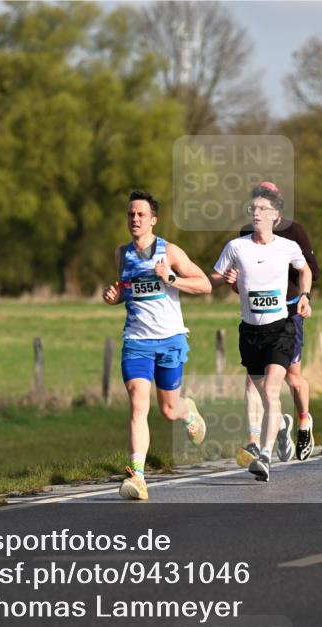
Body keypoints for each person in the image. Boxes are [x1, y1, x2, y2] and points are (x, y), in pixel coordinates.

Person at [102, 191, 210, 501]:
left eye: (140, 215)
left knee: (168, 409)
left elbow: (203, 284)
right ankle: (138, 476)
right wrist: (115, 296)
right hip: (136, 341)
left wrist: (172, 278)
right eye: (130, 215)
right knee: (139, 404)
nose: (134, 219)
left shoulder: (170, 252)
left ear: (153, 220)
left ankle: (187, 411)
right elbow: (127, 288)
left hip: (170, 340)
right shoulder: (121, 254)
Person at [211, 185, 312, 482]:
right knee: (256, 390)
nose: (256, 213)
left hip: (280, 329)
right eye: (252, 209)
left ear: (275, 215)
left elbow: (304, 270)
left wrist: (305, 295)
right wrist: (224, 278)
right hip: (250, 331)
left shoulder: (287, 246)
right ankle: (280, 425)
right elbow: (215, 277)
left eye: (262, 209)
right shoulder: (236, 246)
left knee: (270, 390)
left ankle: (265, 456)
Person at [236, 182, 320, 466]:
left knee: (293, 378)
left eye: (266, 204)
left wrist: (302, 296)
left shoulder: (293, 233)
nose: (259, 211)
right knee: (255, 382)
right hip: (255, 320)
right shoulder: (244, 236)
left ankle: (304, 423)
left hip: (287, 312)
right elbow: (240, 281)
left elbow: (311, 271)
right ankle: (260, 437)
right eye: (256, 204)